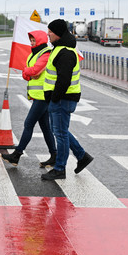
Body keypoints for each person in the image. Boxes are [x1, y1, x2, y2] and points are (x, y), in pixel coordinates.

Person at [41, 19, 94, 180]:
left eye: (50, 31)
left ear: (57, 33)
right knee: (60, 131)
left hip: (62, 99)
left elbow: (63, 80)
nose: (48, 34)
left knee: (60, 133)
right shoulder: (59, 49)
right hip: (59, 99)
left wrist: (54, 98)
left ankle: (60, 169)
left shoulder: (65, 53)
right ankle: (82, 156)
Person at [1, 30, 57, 167]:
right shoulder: (34, 54)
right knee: (46, 128)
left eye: (34, 40)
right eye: (31, 40)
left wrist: (30, 72)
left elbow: (34, 70)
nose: (32, 43)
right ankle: (54, 155)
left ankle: (17, 154)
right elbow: (26, 73)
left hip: (43, 96)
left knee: (28, 124)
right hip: (37, 96)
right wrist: (30, 72)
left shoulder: (46, 54)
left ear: (40, 40)